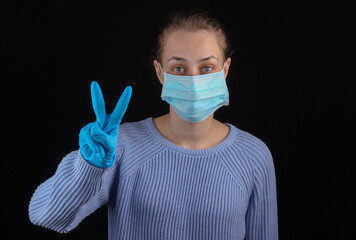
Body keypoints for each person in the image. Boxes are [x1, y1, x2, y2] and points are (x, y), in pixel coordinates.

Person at [29, 9, 278, 240]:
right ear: (160, 72)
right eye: (178, 67)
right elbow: (47, 216)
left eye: (206, 67)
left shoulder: (253, 155)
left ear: (224, 70)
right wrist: (87, 167)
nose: (193, 79)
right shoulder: (119, 146)